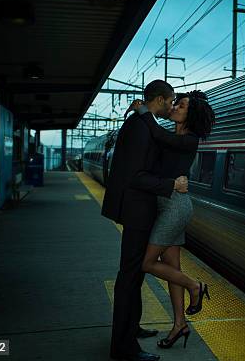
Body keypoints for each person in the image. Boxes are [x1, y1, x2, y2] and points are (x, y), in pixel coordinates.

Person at [102, 80, 189, 361]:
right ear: (161, 100)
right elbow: (135, 176)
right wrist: (170, 185)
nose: (172, 105)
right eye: (171, 100)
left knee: (135, 275)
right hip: (137, 211)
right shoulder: (140, 127)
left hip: (137, 209)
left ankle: (131, 329)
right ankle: (123, 348)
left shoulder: (141, 123)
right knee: (129, 277)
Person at [127, 90, 214, 349]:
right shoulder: (174, 137)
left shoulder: (190, 139)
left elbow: (157, 134)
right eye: (176, 103)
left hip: (175, 208)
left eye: (182, 105)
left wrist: (143, 111)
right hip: (166, 205)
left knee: (147, 263)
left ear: (191, 114)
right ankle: (179, 325)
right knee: (171, 270)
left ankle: (195, 286)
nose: (175, 107)